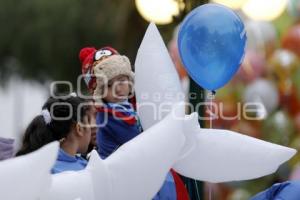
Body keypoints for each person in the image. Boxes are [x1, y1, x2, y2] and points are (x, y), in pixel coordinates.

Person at [79, 46, 185, 199]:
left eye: (122, 80)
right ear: (99, 92)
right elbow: (141, 139)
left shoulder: (127, 106)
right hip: (123, 182)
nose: (118, 88)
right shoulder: (110, 115)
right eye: (109, 85)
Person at [16, 94, 94, 174]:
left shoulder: (39, 167)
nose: (91, 127)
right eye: (88, 121)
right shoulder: (85, 169)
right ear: (79, 129)